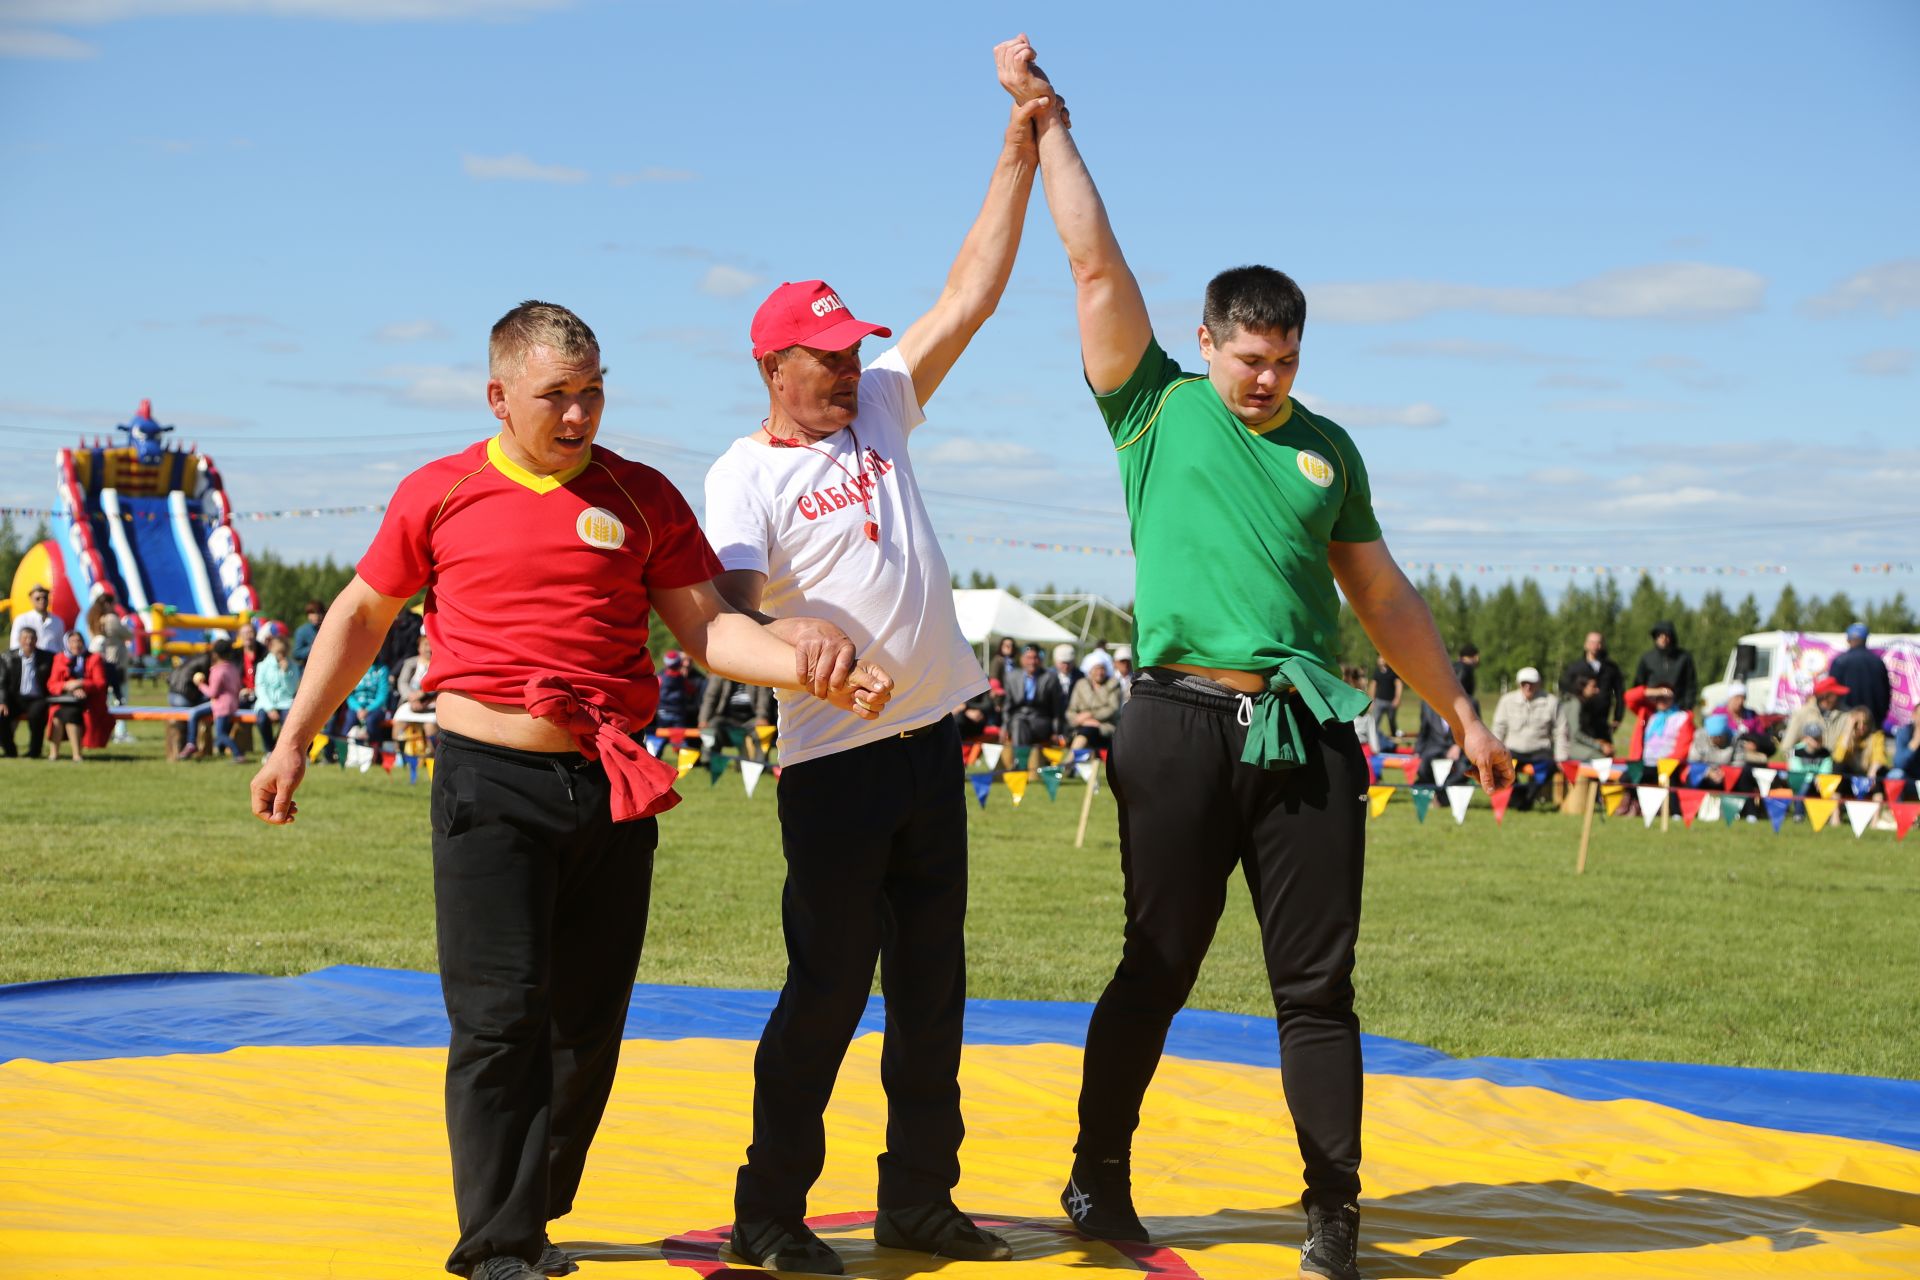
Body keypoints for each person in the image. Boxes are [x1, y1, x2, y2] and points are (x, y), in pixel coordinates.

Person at [1002, 36, 1513, 1280]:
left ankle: (1332, 1213)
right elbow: (1089, 260)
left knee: (1318, 982)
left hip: (1306, 730)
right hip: (1176, 722)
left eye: (1286, 361)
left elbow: (1380, 592)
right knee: (1159, 961)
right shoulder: (1152, 401)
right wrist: (1050, 123)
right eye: (1250, 358)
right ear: (1209, 339)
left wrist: (1463, 710)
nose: (1268, 380)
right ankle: (1098, 1172)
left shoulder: (1327, 448)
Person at [248, 300, 893, 1280]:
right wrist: (295, 737)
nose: (580, 413)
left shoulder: (642, 497)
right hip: (486, 781)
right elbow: (361, 612)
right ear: (500, 395)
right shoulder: (442, 490)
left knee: (587, 1021)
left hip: (607, 783)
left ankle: (531, 1202)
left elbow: (709, 629)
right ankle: (498, 1241)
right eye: (558, 395)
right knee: (500, 1012)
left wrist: (808, 665)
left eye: (593, 393)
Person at [699, 92, 1050, 1275]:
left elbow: (969, 294)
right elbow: (735, 603)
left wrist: (1017, 152)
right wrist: (801, 637)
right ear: (771, 365)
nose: (850, 368)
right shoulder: (742, 473)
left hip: (925, 748)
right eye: (826, 356)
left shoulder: (885, 411)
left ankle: (918, 1200)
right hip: (834, 767)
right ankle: (769, 1211)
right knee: (828, 994)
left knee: (933, 998)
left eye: (855, 350)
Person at [1489, 667, 1567, 810]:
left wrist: (1561, 758)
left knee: (1548, 768)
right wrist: (1494, 752)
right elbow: (1498, 728)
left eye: (1531, 683)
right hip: (1513, 750)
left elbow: (1561, 731)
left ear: (1538, 683)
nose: (1528, 686)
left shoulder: (1551, 702)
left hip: (1540, 751)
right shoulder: (1507, 700)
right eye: (1524, 683)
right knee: (1501, 768)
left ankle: (1529, 797)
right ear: (1519, 684)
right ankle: (1518, 797)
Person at [1004, 643, 1068, 763]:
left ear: (1040, 660)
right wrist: (1004, 728)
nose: (1032, 662)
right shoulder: (1012, 677)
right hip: (1018, 719)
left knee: (1020, 725)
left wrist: (1056, 731)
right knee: (1019, 723)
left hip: (1041, 721)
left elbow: (1057, 708)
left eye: (1035, 658)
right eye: (1029, 658)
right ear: (1022, 659)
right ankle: (1022, 763)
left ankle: (1020, 763)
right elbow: (1007, 707)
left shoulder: (1051, 678)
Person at [2, 627, 55, 758]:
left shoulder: (47, 657)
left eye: (32, 638)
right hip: (14, 698)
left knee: (36, 716)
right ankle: (10, 751)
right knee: (1, 717)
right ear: (19, 640)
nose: (28, 641)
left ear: (36, 640)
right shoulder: (7, 657)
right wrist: (2, 702)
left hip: (37, 698)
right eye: (25, 638)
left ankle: (34, 752)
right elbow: (1, 682)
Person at [1558, 631, 1624, 736]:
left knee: (1605, 749)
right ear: (1585, 645)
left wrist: (1618, 717)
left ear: (1602, 645)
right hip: (1580, 718)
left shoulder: (1611, 668)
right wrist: (1581, 692)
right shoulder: (1575, 667)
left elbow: (1619, 694)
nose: (1595, 646)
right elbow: (1564, 686)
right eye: (1592, 642)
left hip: (1602, 719)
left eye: (1598, 642)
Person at [697, 674, 775, 760]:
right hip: (727, 719)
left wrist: (762, 717)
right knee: (712, 725)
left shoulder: (756, 674)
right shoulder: (720, 674)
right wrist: (703, 719)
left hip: (751, 720)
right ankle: (709, 761)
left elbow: (763, 698)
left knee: (762, 731)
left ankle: (761, 765)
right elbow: (710, 698)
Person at [1829, 623, 1892, 731]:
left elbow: (1831, 693)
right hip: (1872, 723)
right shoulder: (1878, 662)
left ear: (1848, 640)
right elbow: (1886, 694)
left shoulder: (1840, 661)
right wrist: (1880, 718)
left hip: (1845, 722)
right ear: (1865, 640)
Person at [1779, 677, 1851, 763]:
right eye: (1835, 694)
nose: (1839, 697)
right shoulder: (1802, 714)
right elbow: (1786, 748)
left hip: (1835, 769)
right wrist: (1800, 764)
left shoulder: (1846, 715)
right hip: (1806, 770)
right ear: (1825, 696)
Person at [1633, 621, 1698, 712]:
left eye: (1666, 635)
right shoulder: (1647, 658)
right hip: (1651, 710)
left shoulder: (1684, 658)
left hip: (1678, 709)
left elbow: (1691, 686)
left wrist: (1687, 708)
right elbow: (1638, 688)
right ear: (1655, 637)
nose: (1663, 639)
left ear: (1672, 637)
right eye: (1660, 635)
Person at [1623, 684, 1694, 764]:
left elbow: (1683, 748)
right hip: (1644, 763)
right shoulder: (1649, 714)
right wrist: (1657, 691)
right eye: (1660, 697)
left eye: (1666, 697)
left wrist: (1665, 765)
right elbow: (1628, 697)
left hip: (1668, 766)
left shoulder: (1682, 717)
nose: (1662, 700)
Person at [1066, 658, 1123, 754]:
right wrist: (1082, 721)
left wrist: (1090, 715)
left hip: (1105, 726)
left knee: (1087, 732)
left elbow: (1113, 709)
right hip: (1082, 725)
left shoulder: (1113, 684)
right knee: (1084, 731)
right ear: (1090, 670)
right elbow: (1071, 710)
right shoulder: (1081, 684)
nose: (1100, 673)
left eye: (1102, 669)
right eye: (1096, 669)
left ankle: (1067, 763)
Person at [253, 632, 299, 750]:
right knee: (262, 719)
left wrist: (285, 674)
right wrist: (269, 708)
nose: (281, 656)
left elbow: (291, 690)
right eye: (278, 653)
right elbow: (260, 688)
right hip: (266, 703)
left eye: (283, 653)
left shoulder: (293, 666)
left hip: (285, 702)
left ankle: (279, 749)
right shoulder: (262, 666)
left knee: (289, 722)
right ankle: (269, 749)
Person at [205, 639, 247, 763]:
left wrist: (200, 685)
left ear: (215, 654)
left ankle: (238, 754)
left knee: (221, 735)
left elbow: (212, 693)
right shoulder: (233, 668)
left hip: (221, 707)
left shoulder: (217, 670)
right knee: (224, 732)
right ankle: (222, 751)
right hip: (233, 704)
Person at [652, 649, 703, 736]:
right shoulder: (682, 679)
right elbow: (691, 690)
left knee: (661, 735)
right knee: (678, 737)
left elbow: (654, 691)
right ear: (679, 663)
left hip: (662, 712)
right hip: (678, 713)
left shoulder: (660, 677)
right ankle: (678, 746)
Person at [9, 584, 66, 653]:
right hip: (32, 660)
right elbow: (15, 645)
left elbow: (61, 646)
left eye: (45, 597)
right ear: (31, 600)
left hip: (53, 660)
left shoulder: (58, 621)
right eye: (37, 598)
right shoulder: (22, 619)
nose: (42, 601)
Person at [1368, 657, 1400, 748]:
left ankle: (1395, 742)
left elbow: (1398, 684)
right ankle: (1374, 743)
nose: (1381, 660)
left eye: (1383, 658)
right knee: (1374, 722)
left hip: (1391, 702)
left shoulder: (1392, 671)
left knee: (1392, 722)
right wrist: (1371, 700)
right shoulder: (1377, 672)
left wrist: (1397, 698)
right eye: (1380, 658)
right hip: (1379, 701)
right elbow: (1373, 685)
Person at [292, 600, 324, 665]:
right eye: (312, 613)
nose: (316, 616)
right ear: (308, 615)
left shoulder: (327, 627)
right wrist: (313, 648)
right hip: (309, 668)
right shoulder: (302, 631)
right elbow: (296, 654)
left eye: (319, 613)